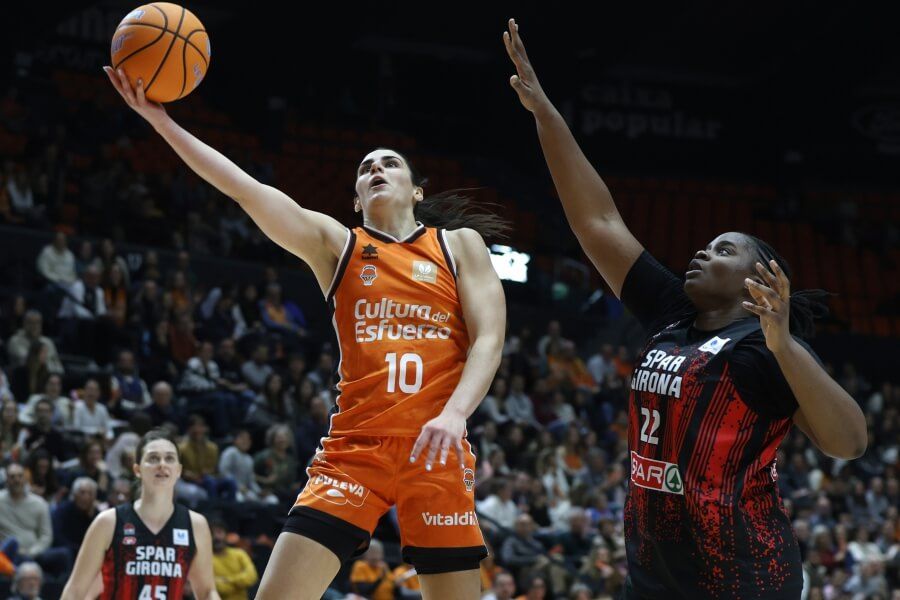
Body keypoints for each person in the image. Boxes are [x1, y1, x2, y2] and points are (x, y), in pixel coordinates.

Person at [104, 62, 507, 600]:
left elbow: (489, 339)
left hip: (435, 450)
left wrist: (455, 413)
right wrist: (159, 121)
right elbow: (245, 190)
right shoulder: (335, 245)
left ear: (416, 191)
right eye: (366, 169)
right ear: (356, 199)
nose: (377, 169)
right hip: (354, 451)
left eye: (391, 164)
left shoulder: (459, 246)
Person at [503, 18, 868, 600]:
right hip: (653, 577)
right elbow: (596, 221)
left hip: (744, 579)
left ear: (758, 281)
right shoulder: (672, 313)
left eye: (725, 250)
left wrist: (784, 344)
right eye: (706, 244)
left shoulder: (761, 350)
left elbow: (849, 442)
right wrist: (544, 112)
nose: (703, 251)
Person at [60, 429, 220, 599]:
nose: (162, 464)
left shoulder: (195, 525)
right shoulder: (108, 522)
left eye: (169, 458)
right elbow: (75, 591)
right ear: (137, 470)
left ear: (179, 470)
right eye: (153, 458)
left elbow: (207, 591)